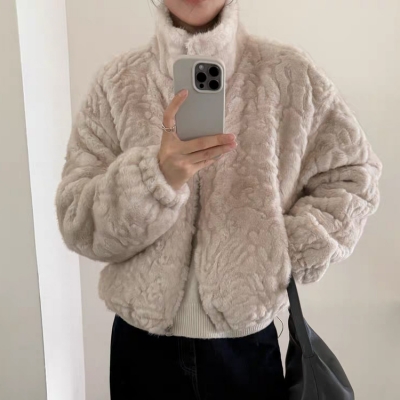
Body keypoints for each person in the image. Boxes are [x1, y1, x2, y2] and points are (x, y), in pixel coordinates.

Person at [55, 0, 382, 399]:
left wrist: (276, 252)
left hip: (244, 351)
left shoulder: (288, 75)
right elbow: (76, 219)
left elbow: (353, 178)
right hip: (141, 352)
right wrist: (154, 177)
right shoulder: (117, 84)